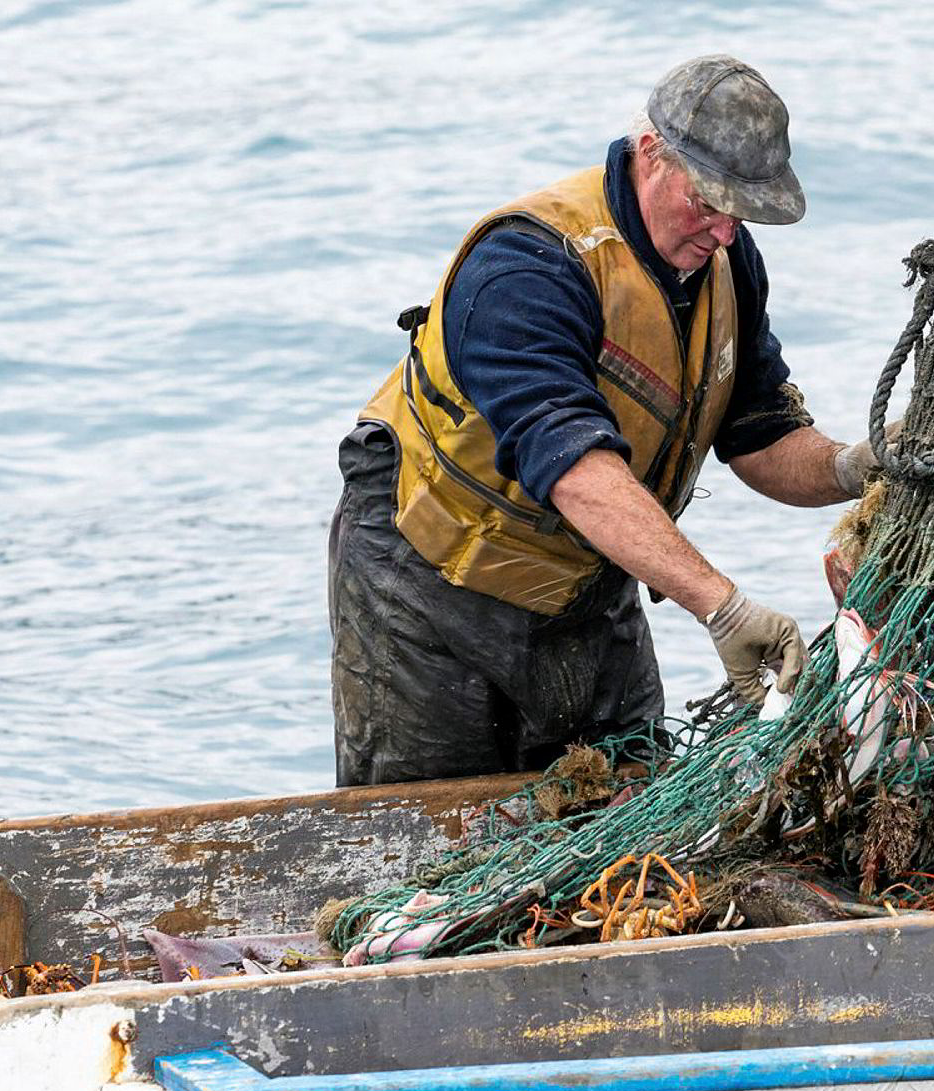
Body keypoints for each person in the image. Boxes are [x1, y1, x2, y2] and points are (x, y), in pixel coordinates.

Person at [328, 54, 880, 788]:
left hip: (587, 591)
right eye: (707, 201)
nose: (722, 230)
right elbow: (574, 469)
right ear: (650, 154)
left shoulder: (726, 261)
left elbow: (760, 434)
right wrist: (724, 608)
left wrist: (854, 466)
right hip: (429, 588)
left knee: (627, 821)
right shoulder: (529, 264)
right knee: (422, 831)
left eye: (741, 211)